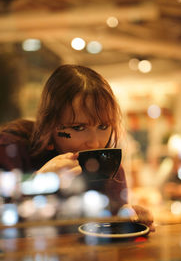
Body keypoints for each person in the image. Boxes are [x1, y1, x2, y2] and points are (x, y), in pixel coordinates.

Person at [0, 64, 154, 231]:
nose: (94, 143)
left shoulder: (109, 168)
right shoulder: (12, 148)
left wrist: (128, 220)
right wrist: (40, 182)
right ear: (50, 125)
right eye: (78, 127)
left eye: (103, 127)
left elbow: (105, 236)